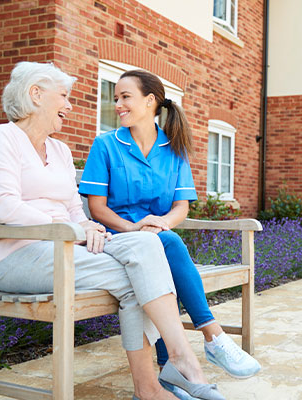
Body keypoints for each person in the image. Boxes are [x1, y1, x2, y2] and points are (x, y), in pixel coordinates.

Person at [0, 61, 224, 400]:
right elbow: (5, 206)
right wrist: (72, 229)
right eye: (63, 96)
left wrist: (89, 226)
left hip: (65, 247)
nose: (70, 105)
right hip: (16, 255)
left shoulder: (59, 150)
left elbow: (76, 208)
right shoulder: (0, 137)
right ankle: (171, 371)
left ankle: (169, 371)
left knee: (148, 245)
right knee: (137, 276)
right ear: (35, 95)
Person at [79, 70, 261, 387]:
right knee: (169, 245)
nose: (118, 105)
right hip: (115, 238)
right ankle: (212, 336)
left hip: (158, 238)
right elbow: (97, 208)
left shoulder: (173, 148)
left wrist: (160, 224)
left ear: (150, 101)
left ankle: (170, 371)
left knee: (164, 246)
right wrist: (136, 228)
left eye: (125, 97)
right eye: (116, 98)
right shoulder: (106, 145)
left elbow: (181, 207)